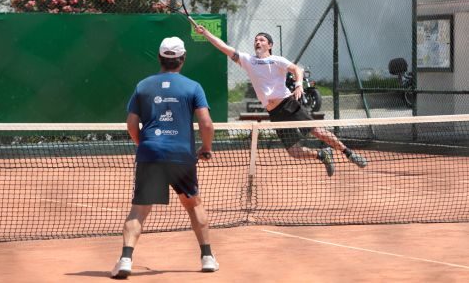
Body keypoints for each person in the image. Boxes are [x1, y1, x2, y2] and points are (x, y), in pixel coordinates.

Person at [111, 36, 219, 279]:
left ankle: (126, 260)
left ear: (160, 58)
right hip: (182, 156)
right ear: (182, 59)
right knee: (194, 205)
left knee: (139, 211)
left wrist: (144, 145)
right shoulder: (193, 87)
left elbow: (131, 124)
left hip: (150, 154)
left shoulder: (143, 86)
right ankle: (208, 258)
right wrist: (206, 147)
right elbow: (207, 124)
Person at [194, 26, 367, 176]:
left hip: (288, 103)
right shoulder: (248, 61)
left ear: (269, 45)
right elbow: (223, 47)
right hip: (274, 113)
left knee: (317, 131)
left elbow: (296, 69)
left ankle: (348, 153)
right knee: (294, 151)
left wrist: (299, 84)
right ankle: (322, 155)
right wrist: (205, 33)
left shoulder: (276, 60)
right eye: (256, 40)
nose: (258, 42)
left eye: (262, 40)